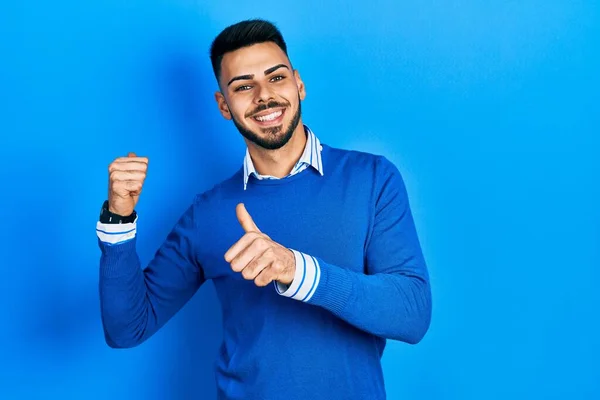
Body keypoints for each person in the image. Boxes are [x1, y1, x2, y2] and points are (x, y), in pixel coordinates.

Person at [97, 18, 432, 400]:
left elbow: (412, 312)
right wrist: (118, 217)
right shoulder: (207, 213)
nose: (264, 96)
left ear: (298, 83)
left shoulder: (372, 179)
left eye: (276, 78)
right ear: (224, 105)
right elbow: (127, 328)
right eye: (243, 86)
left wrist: (295, 269)